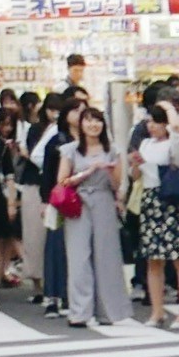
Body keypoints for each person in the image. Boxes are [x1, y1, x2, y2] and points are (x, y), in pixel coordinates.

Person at [129, 96, 179, 329]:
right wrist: (135, 165)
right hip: (150, 200)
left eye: (157, 122)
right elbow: (136, 176)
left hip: (170, 200)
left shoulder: (176, 143)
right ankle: (157, 311)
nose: (152, 126)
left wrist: (168, 108)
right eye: (150, 121)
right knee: (154, 259)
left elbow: (178, 130)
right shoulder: (146, 144)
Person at [55, 104, 125, 331]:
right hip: (78, 203)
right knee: (79, 257)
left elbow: (117, 185)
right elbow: (62, 181)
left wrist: (110, 171)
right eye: (88, 120)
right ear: (81, 124)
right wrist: (88, 172)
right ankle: (79, 312)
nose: (93, 125)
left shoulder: (113, 150)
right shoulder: (71, 150)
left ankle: (107, 311)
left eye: (97, 121)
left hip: (104, 200)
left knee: (106, 256)